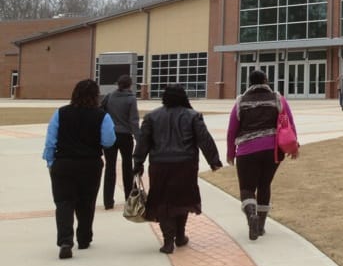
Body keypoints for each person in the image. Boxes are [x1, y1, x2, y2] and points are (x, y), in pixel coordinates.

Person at [133, 84, 223, 254]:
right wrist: (214, 161)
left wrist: (138, 162)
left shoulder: (152, 116)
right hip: (185, 165)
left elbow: (143, 142)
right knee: (182, 200)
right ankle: (180, 236)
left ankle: (168, 241)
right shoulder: (193, 115)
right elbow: (204, 139)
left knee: (163, 201)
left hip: (159, 165)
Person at [42, 78, 117, 259]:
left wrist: (50, 162)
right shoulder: (102, 116)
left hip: (63, 163)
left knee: (63, 203)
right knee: (87, 202)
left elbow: (50, 140)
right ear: (96, 96)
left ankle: (65, 241)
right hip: (90, 164)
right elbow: (108, 141)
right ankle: (84, 238)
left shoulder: (61, 113)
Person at [226, 70, 299, 241]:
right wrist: (294, 146)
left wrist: (230, 152)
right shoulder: (277, 98)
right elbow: (289, 122)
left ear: (249, 82)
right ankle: (260, 225)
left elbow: (232, 130)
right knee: (264, 185)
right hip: (272, 151)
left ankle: (251, 215)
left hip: (247, 151)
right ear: (266, 80)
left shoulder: (241, 101)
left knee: (247, 189)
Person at [100, 74, 141, 210]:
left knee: (110, 168)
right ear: (130, 85)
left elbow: (102, 111)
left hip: (110, 135)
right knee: (127, 166)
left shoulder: (109, 97)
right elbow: (134, 120)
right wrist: (139, 139)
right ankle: (129, 197)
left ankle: (108, 201)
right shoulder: (131, 99)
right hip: (125, 136)